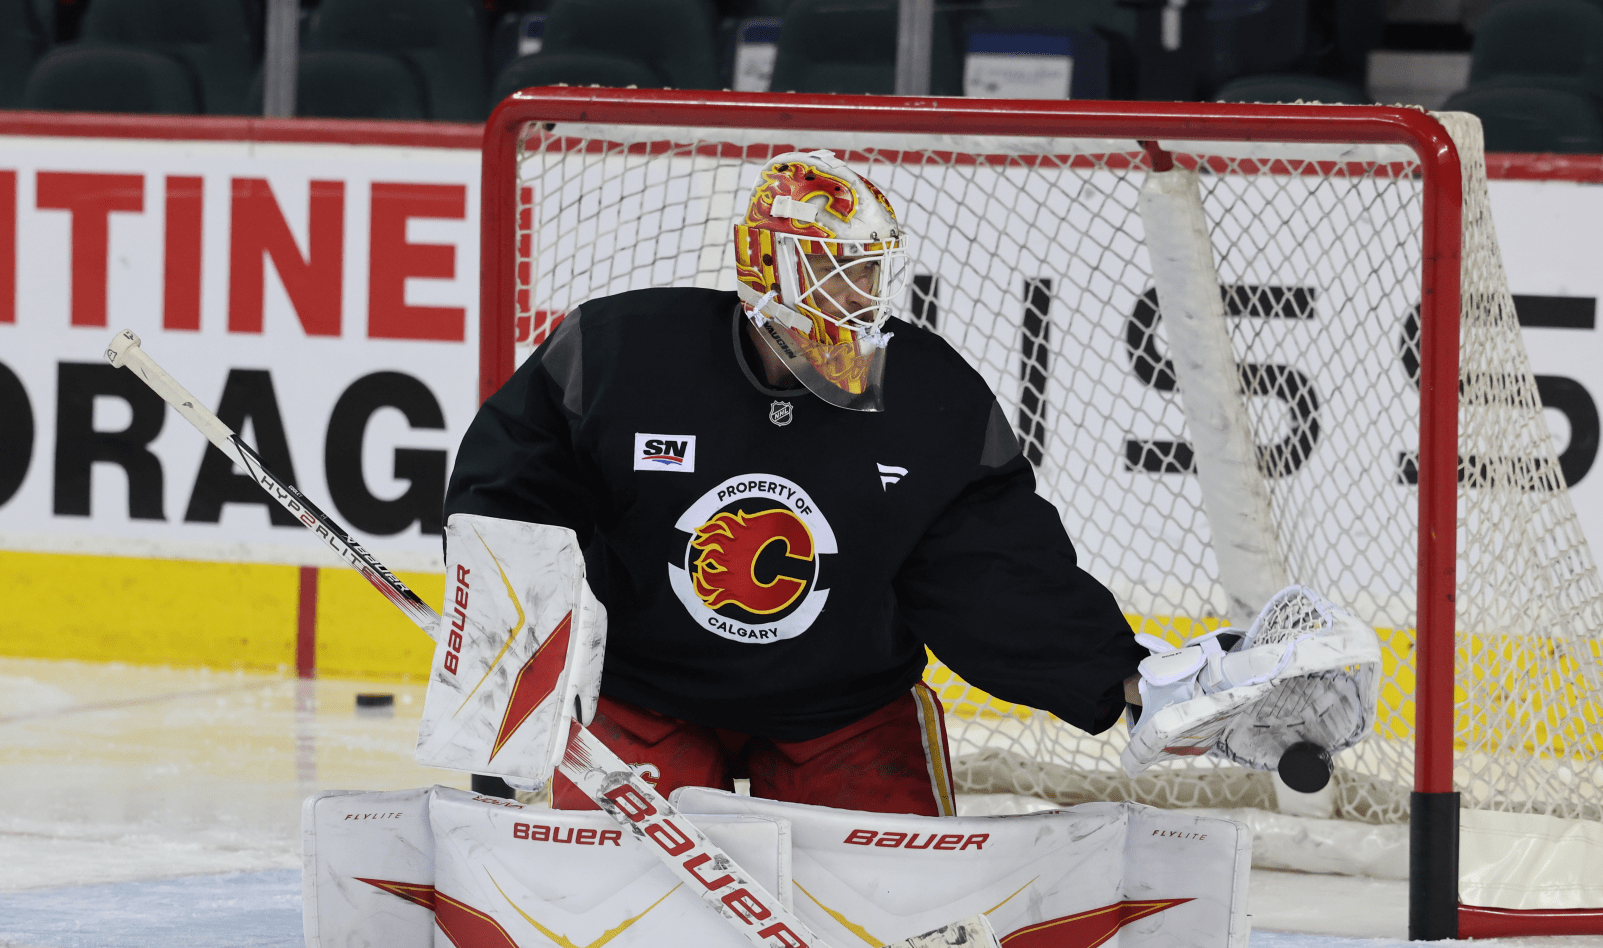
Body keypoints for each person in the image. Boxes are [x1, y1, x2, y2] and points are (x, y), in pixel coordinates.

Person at [445, 149, 1149, 817]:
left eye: (867, 271)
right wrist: (511, 640)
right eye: (829, 269)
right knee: (606, 889)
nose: (855, 294)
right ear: (763, 261)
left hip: (844, 711)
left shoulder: (928, 393)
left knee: (894, 893)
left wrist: (1119, 676)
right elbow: (512, 495)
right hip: (642, 694)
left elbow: (991, 571)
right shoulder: (617, 355)